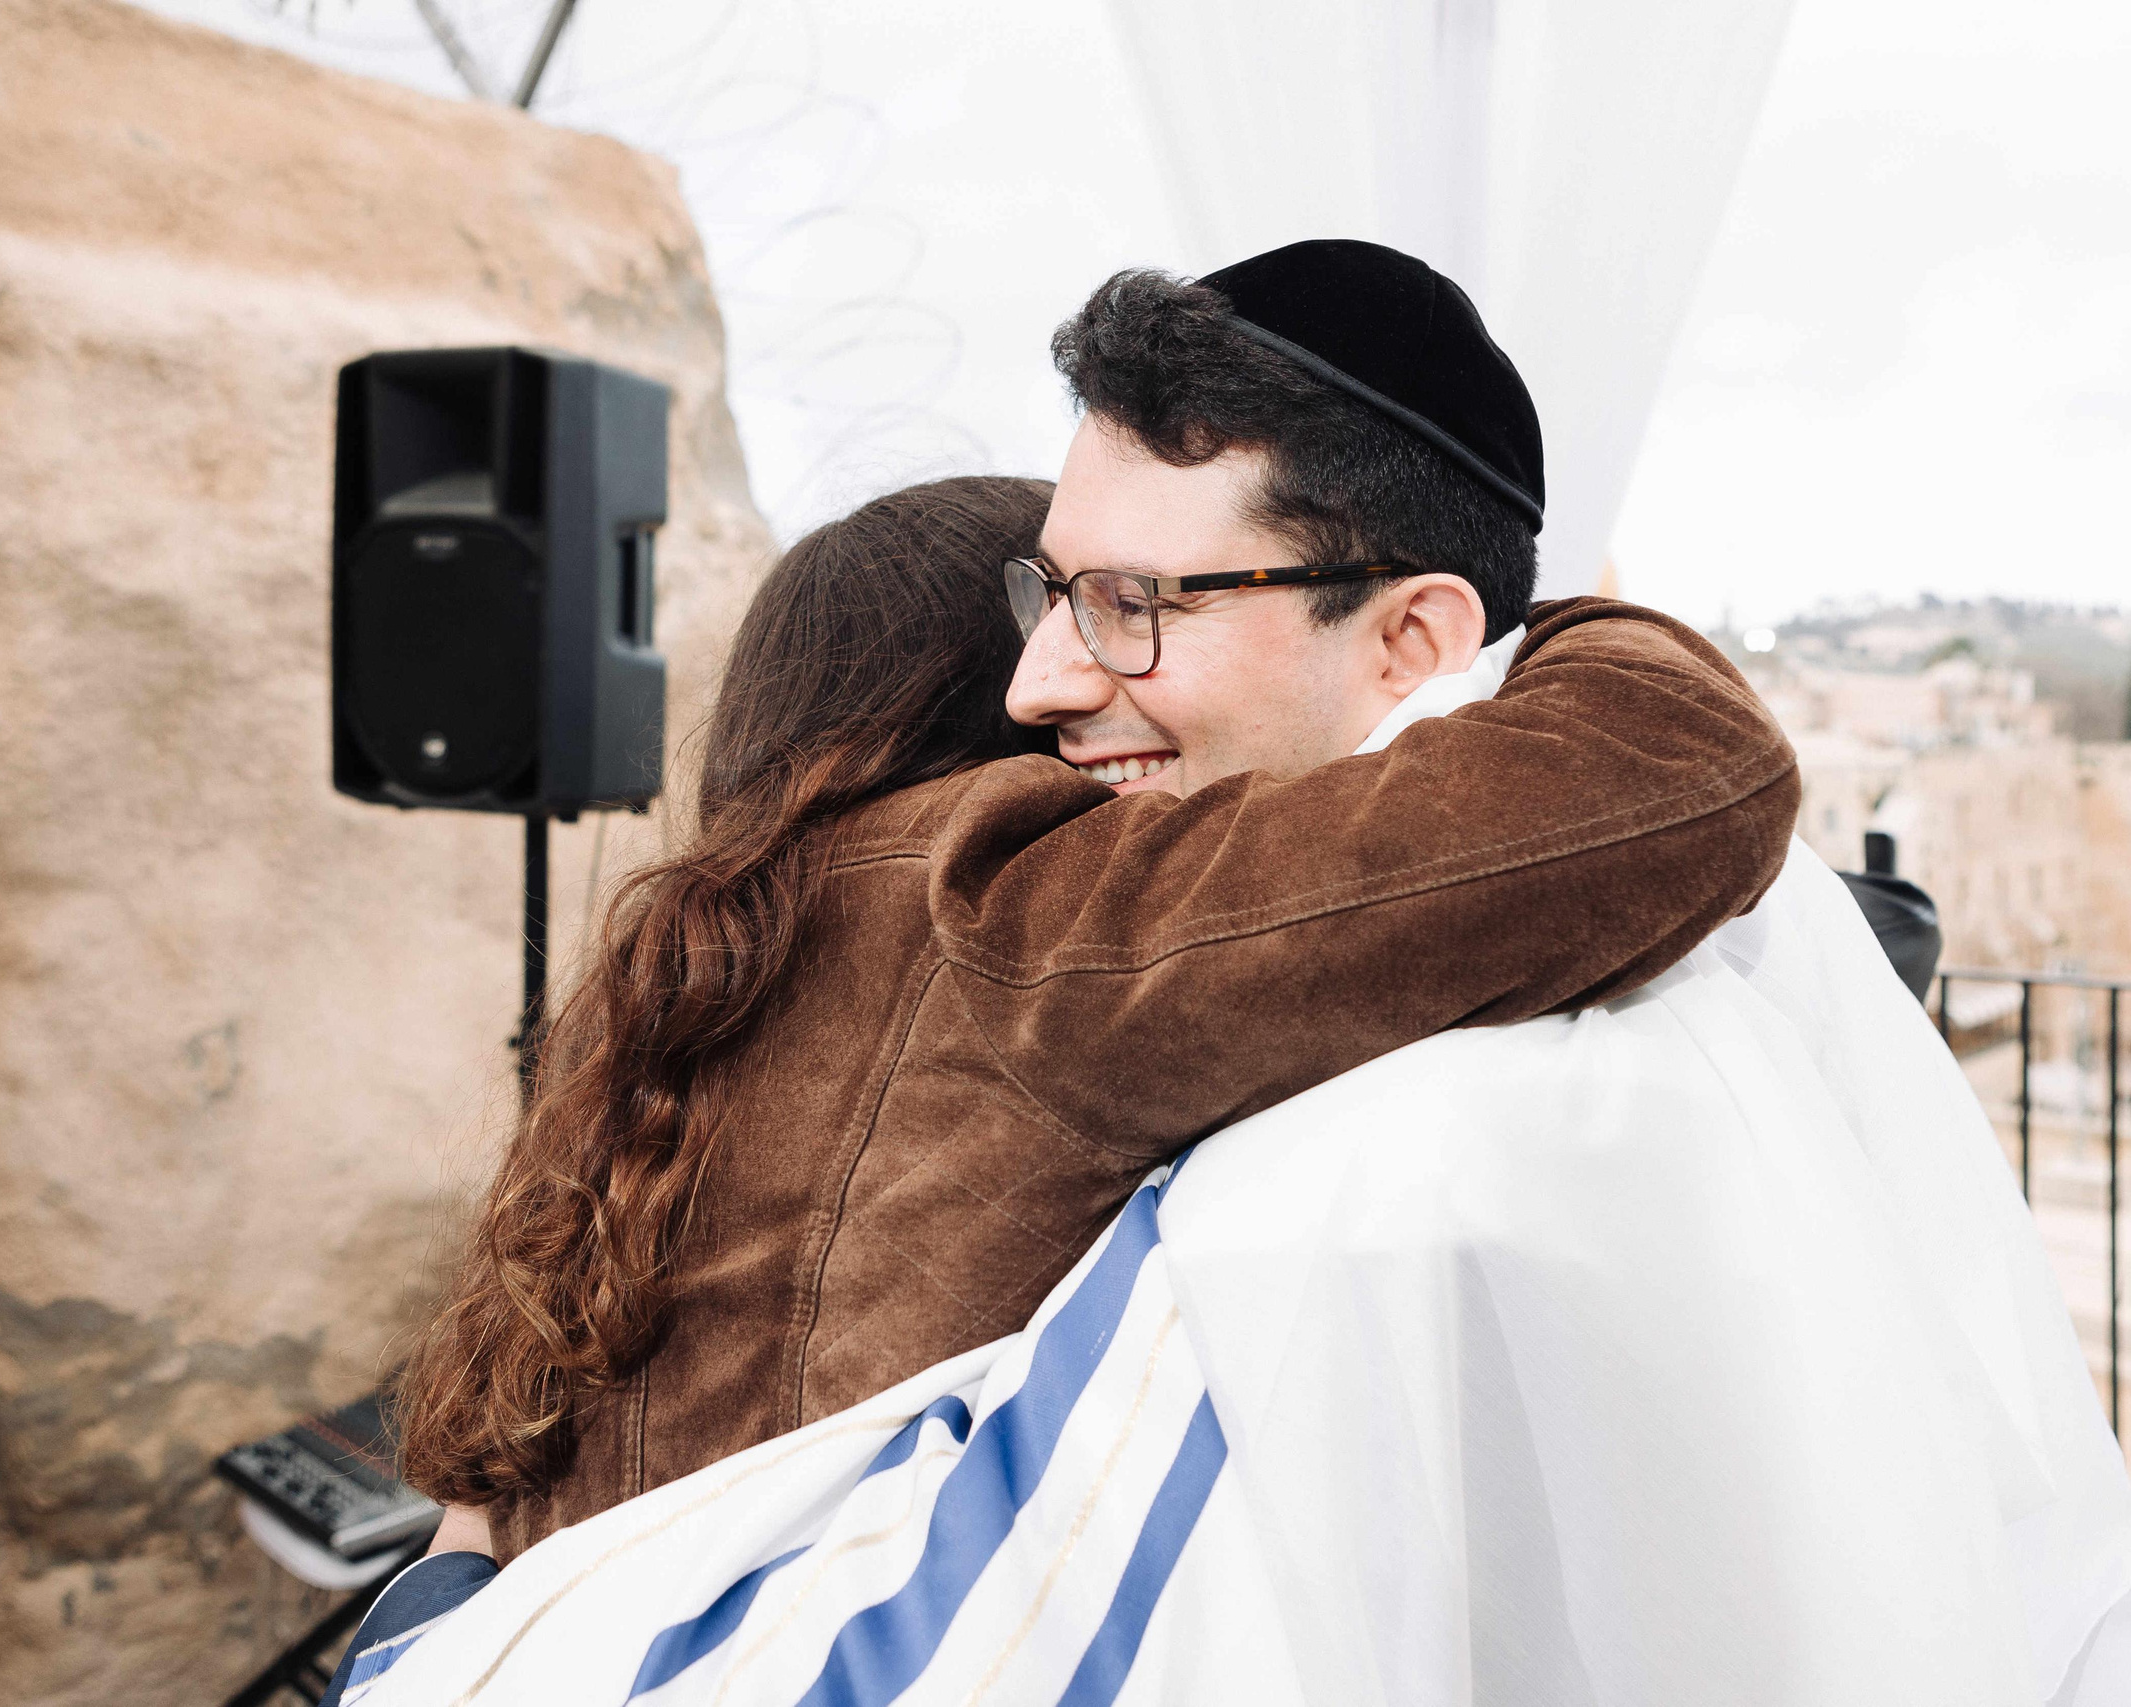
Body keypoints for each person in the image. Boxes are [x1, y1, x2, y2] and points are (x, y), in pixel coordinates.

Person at [393, 453, 1796, 1566]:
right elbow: (1670, 764)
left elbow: (482, 1482)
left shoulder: (671, 968)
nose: (1086, 659)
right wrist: (1504, 616)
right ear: (1006, 685)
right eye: (1082, 611)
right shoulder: (1006, 899)